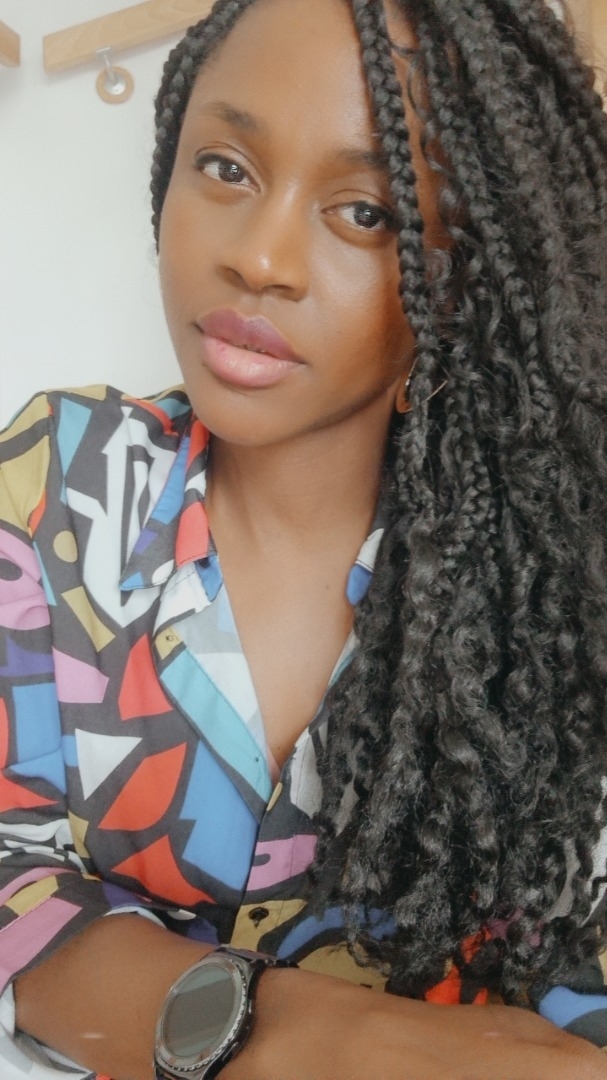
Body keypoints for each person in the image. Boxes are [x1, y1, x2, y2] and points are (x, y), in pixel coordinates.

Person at [1, 0, 607, 1077]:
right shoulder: (58, 484)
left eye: (365, 212)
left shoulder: (554, 575)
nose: (261, 257)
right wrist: (305, 1037)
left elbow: (570, 946)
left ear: (468, 270)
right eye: (226, 168)